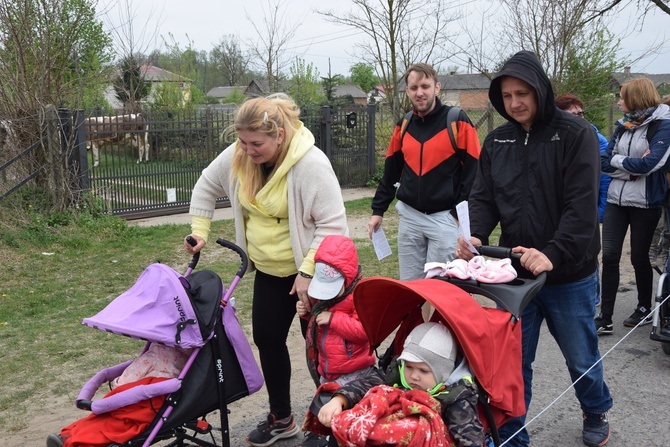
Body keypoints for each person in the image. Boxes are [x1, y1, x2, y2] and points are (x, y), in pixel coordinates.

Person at [456, 50, 613, 447]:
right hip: (515, 275)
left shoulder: (576, 135)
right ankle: (512, 434)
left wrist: (554, 252)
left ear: (540, 89)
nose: (515, 103)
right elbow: (484, 197)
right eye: (507, 96)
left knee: (580, 357)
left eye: (522, 93)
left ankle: (595, 409)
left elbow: (581, 207)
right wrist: (475, 234)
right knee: (512, 362)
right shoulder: (498, 140)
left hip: (568, 273)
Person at [183, 93, 348, 447]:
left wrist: (307, 273)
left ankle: (332, 424)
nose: (247, 150)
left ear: (279, 135)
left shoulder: (311, 164)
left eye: (256, 143)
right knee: (269, 341)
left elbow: (333, 226)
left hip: (315, 275)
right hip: (271, 273)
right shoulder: (240, 155)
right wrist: (200, 230)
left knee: (321, 351)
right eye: (242, 142)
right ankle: (282, 418)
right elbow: (206, 184)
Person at [368, 63, 481, 285]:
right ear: (407, 91)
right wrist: (378, 210)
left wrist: (456, 216)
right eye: (414, 87)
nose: (420, 92)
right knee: (410, 289)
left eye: (425, 86)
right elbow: (391, 171)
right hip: (410, 218)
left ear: (437, 87)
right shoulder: (404, 125)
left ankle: (437, 322)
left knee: (441, 290)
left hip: (444, 219)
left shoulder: (457, 120)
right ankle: (417, 322)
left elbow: (474, 173)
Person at [317, 322, 483, 447]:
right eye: (409, 367)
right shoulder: (397, 373)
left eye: (423, 371)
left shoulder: (456, 396)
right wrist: (339, 399)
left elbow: (469, 436)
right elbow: (368, 382)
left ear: (443, 373)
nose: (414, 376)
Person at [596, 77, 670, 335]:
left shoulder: (663, 125)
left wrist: (623, 164)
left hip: (646, 203)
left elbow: (650, 165)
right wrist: (630, 168)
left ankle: (643, 307)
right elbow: (603, 163)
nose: (618, 102)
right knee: (610, 256)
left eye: (622, 97)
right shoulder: (624, 124)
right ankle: (605, 317)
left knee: (639, 257)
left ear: (636, 98)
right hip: (617, 200)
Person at [296, 234, 376, 447]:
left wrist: (334, 319)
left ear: (346, 277)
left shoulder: (360, 295)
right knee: (329, 410)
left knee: (346, 414)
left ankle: (342, 438)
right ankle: (329, 434)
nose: (326, 295)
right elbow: (317, 317)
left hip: (354, 372)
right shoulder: (326, 297)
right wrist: (306, 312)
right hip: (328, 369)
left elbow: (365, 332)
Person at [46, 344, 192, 447]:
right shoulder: (165, 343)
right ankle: (69, 435)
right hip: (143, 387)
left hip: (152, 394)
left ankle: (75, 439)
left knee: (115, 423)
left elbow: (171, 384)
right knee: (105, 418)